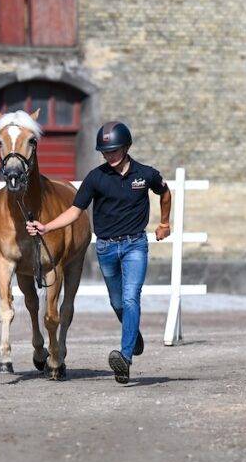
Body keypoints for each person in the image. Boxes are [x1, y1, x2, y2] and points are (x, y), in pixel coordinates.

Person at [27, 122, 171, 384]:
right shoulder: (95, 178)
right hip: (106, 248)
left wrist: (164, 222)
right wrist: (46, 227)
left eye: (113, 150)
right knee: (117, 303)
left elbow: (165, 192)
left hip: (135, 245)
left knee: (130, 298)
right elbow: (75, 211)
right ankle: (132, 334)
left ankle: (125, 358)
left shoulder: (145, 174)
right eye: (105, 152)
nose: (109, 155)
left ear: (126, 148)